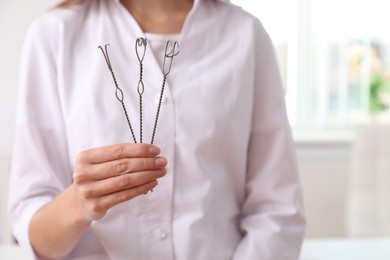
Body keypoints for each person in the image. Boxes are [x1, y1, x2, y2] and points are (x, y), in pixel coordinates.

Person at [8, 0, 306, 259]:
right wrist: (77, 204)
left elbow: (277, 213)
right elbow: (35, 235)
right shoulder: (54, 34)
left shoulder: (245, 35)